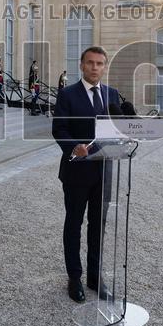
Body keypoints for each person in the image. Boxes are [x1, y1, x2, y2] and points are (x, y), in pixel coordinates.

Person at [51, 46, 121, 303]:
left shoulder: (112, 95)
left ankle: (95, 276)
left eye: (100, 63)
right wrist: (74, 147)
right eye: (90, 63)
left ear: (104, 67)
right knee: (74, 224)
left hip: (104, 171)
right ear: (81, 65)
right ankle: (74, 277)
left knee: (98, 225)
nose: (95, 67)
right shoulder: (68, 94)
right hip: (76, 171)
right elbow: (59, 128)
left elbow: (120, 126)